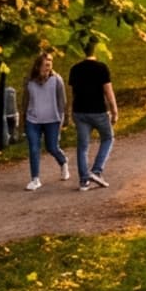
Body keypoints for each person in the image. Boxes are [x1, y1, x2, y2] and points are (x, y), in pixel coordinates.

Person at [67, 40, 117, 190]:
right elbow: (108, 91)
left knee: (82, 146)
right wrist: (114, 110)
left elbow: (72, 93)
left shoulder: (75, 69)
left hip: (80, 112)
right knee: (108, 138)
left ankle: (84, 180)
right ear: (94, 50)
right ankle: (96, 171)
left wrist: (70, 112)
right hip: (98, 111)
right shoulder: (101, 68)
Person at [22, 52, 70, 191]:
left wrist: (63, 120)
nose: (47, 70)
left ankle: (63, 162)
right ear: (37, 66)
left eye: (49, 67)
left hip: (52, 119)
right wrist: (23, 118)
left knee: (52, 147)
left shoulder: (56, 80)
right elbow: (25, 101)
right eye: (45, 67)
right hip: (33, 119)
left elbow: (62, 102)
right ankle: (35, 179)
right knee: (34, 148)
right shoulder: (29, 81)